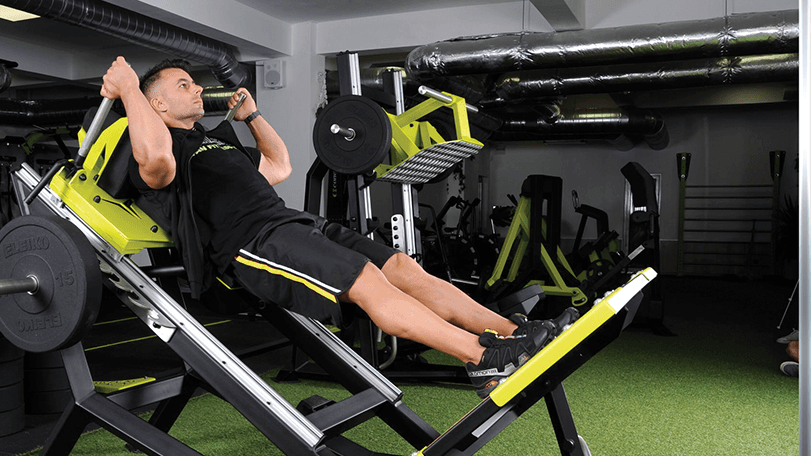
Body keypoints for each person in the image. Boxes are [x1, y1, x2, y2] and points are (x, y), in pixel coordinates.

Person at [99, 56, 576, 397]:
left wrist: (252, 118)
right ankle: (481, 359)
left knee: (402, 267)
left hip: (294, 222)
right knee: (366, 280)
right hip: (255, 243)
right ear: (157, 104)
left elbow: (278, 167)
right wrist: (128, 90)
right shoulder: (157, 151)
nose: (198, 89)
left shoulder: (215, 144)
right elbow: (156, 162)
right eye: (183, 85)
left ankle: (511, 334)